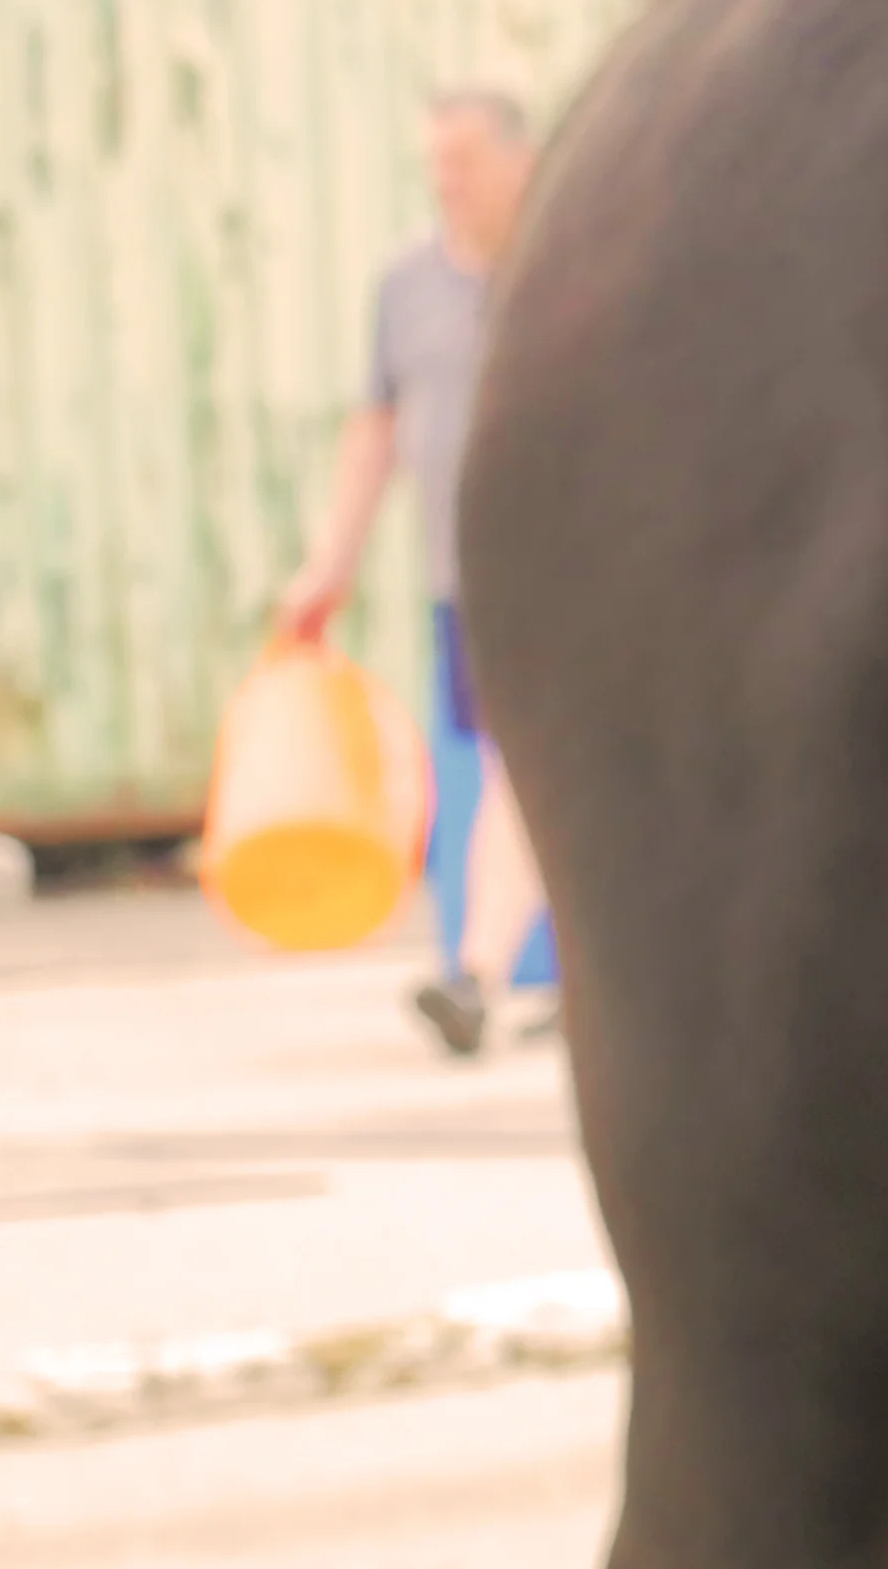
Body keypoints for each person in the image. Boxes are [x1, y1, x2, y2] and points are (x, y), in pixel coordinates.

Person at [278, 86, 553, 1060]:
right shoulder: (405, 282)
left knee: (532, 766)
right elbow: (377, 426)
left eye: (464, 161)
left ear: (521, 161)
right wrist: (329, 562)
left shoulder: (570, 261)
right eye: (436, 162)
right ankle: (491, 975)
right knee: (518, 770)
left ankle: (482, 973)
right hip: (465, 576)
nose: (448, 182)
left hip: (571, 566)